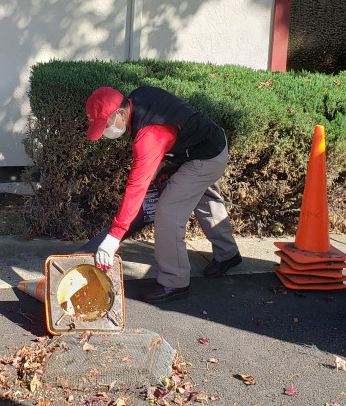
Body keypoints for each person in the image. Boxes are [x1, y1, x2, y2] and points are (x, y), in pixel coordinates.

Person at [83, 85, 241, 304]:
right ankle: (228, 254)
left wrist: (114, 236)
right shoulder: (139, 97)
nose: (106, 132)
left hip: (205, 157)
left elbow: (137, 186)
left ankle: (174, 281)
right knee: (205, 198)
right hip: (209, 141)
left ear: (120, 113)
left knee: (168, 211)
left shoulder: (148, 136)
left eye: (106, 124)